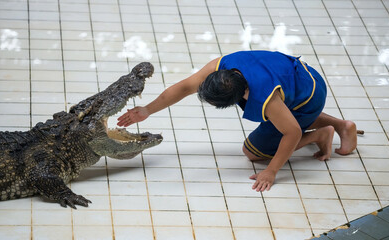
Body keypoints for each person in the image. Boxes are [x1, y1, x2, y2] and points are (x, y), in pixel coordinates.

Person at [117, 50, 358, 192]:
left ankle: (320, 134)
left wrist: (272, 171)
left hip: (310, 96)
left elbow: (292, 132)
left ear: (241, 97)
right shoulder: (221, 68)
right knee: (286, 118)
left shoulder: (266, 96)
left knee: (252, 152)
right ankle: (341, 125)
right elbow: (183, 88)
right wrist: (147, 110)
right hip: (303, 78)